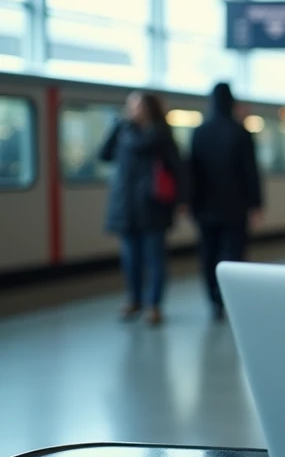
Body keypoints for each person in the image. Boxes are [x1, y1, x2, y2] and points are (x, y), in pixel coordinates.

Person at [99, 92, 185, 326]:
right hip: (126, 206)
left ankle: (154, 304)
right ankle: (134, 300)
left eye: (136, 106)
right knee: (131, 259)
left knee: (154, 258)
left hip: (153, 205)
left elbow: (177, 169)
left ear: (148, 108)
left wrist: (181, 201)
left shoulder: (161, 135)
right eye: (129, 106)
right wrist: (115, 129)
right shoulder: (123, 131)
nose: (131, 110)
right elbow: (104, 155)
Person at [189, 82, 263, 321]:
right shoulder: (240, 132)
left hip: (205, 208)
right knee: (233, 256)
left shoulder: (199, 132)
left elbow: (191, 172)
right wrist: (256, 203)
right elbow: (251, 172)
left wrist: (190, 203)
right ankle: (231, 299)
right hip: (235, 207)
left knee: (208, 256)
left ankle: (214, 301)